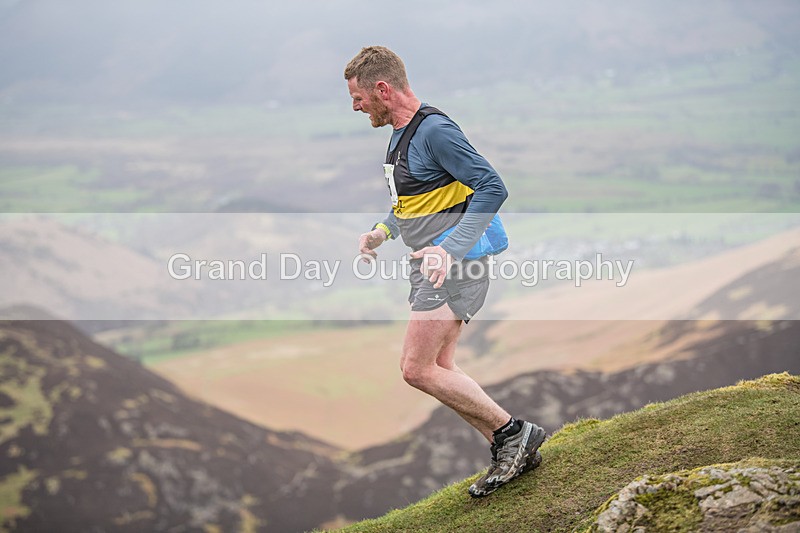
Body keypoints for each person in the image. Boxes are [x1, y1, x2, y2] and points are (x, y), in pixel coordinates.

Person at [344, 46, 546, 498]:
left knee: (416, 368)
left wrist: (449, 249)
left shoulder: (434, 130)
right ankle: (510, 449)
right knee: (440, 366)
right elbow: (414, 200)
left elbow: (493, 186)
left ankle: (513, 433)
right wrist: (381, 231)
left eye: (358, 96)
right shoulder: (401, 133)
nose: (354, 106)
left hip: (455, 266)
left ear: (382, 89)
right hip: (433, 265)